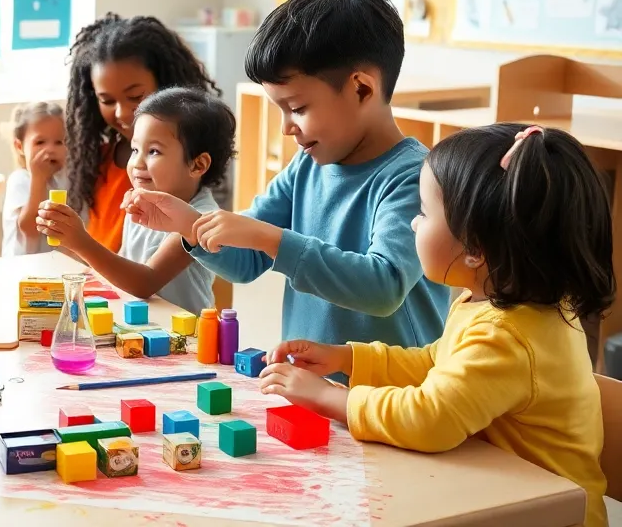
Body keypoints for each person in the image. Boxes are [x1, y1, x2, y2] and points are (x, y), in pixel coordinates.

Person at [260, 124, 613, 527]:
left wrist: (330, 399)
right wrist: (349, 358)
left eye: (424, 212)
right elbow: (438, 362)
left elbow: (431, 419)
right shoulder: (503, 305)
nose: (413, 224)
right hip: (496, 493)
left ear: (476, 249)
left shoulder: (508, 334)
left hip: (546, 515)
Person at [125, 0, 446, 355]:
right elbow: (246, 263)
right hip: (309, 387)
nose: (285, 127)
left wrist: (271, 239)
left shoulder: (414, 178)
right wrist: (189, 224)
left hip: (388, 401)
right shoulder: (305, 167)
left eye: (298, 108)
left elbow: (383, 286)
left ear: (361, 89)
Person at [37, 88, 232, 313]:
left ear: (197, 165)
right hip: (142, 329)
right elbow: (123, 264)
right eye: (135, 149)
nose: (137, 162)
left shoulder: (199, 219)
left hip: (185, 340)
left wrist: (81, 242)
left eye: (154, 151)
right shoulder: (140, 202)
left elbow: (145, 282)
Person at [65, 13, 218, 253]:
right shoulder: (98, 159)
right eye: (106, 100)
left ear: (168, 86)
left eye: (135, 97)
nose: (123, 113)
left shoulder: (180, 171)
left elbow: (147, 277)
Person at [1, 101, 66, 256]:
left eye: (59, 142)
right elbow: (30, 228)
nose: (50, 149)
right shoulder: (20, 180)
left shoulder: (66, 180)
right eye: (40, 142)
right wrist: (39, 179)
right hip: (23, 269)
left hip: (54, 269)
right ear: (19, 146)